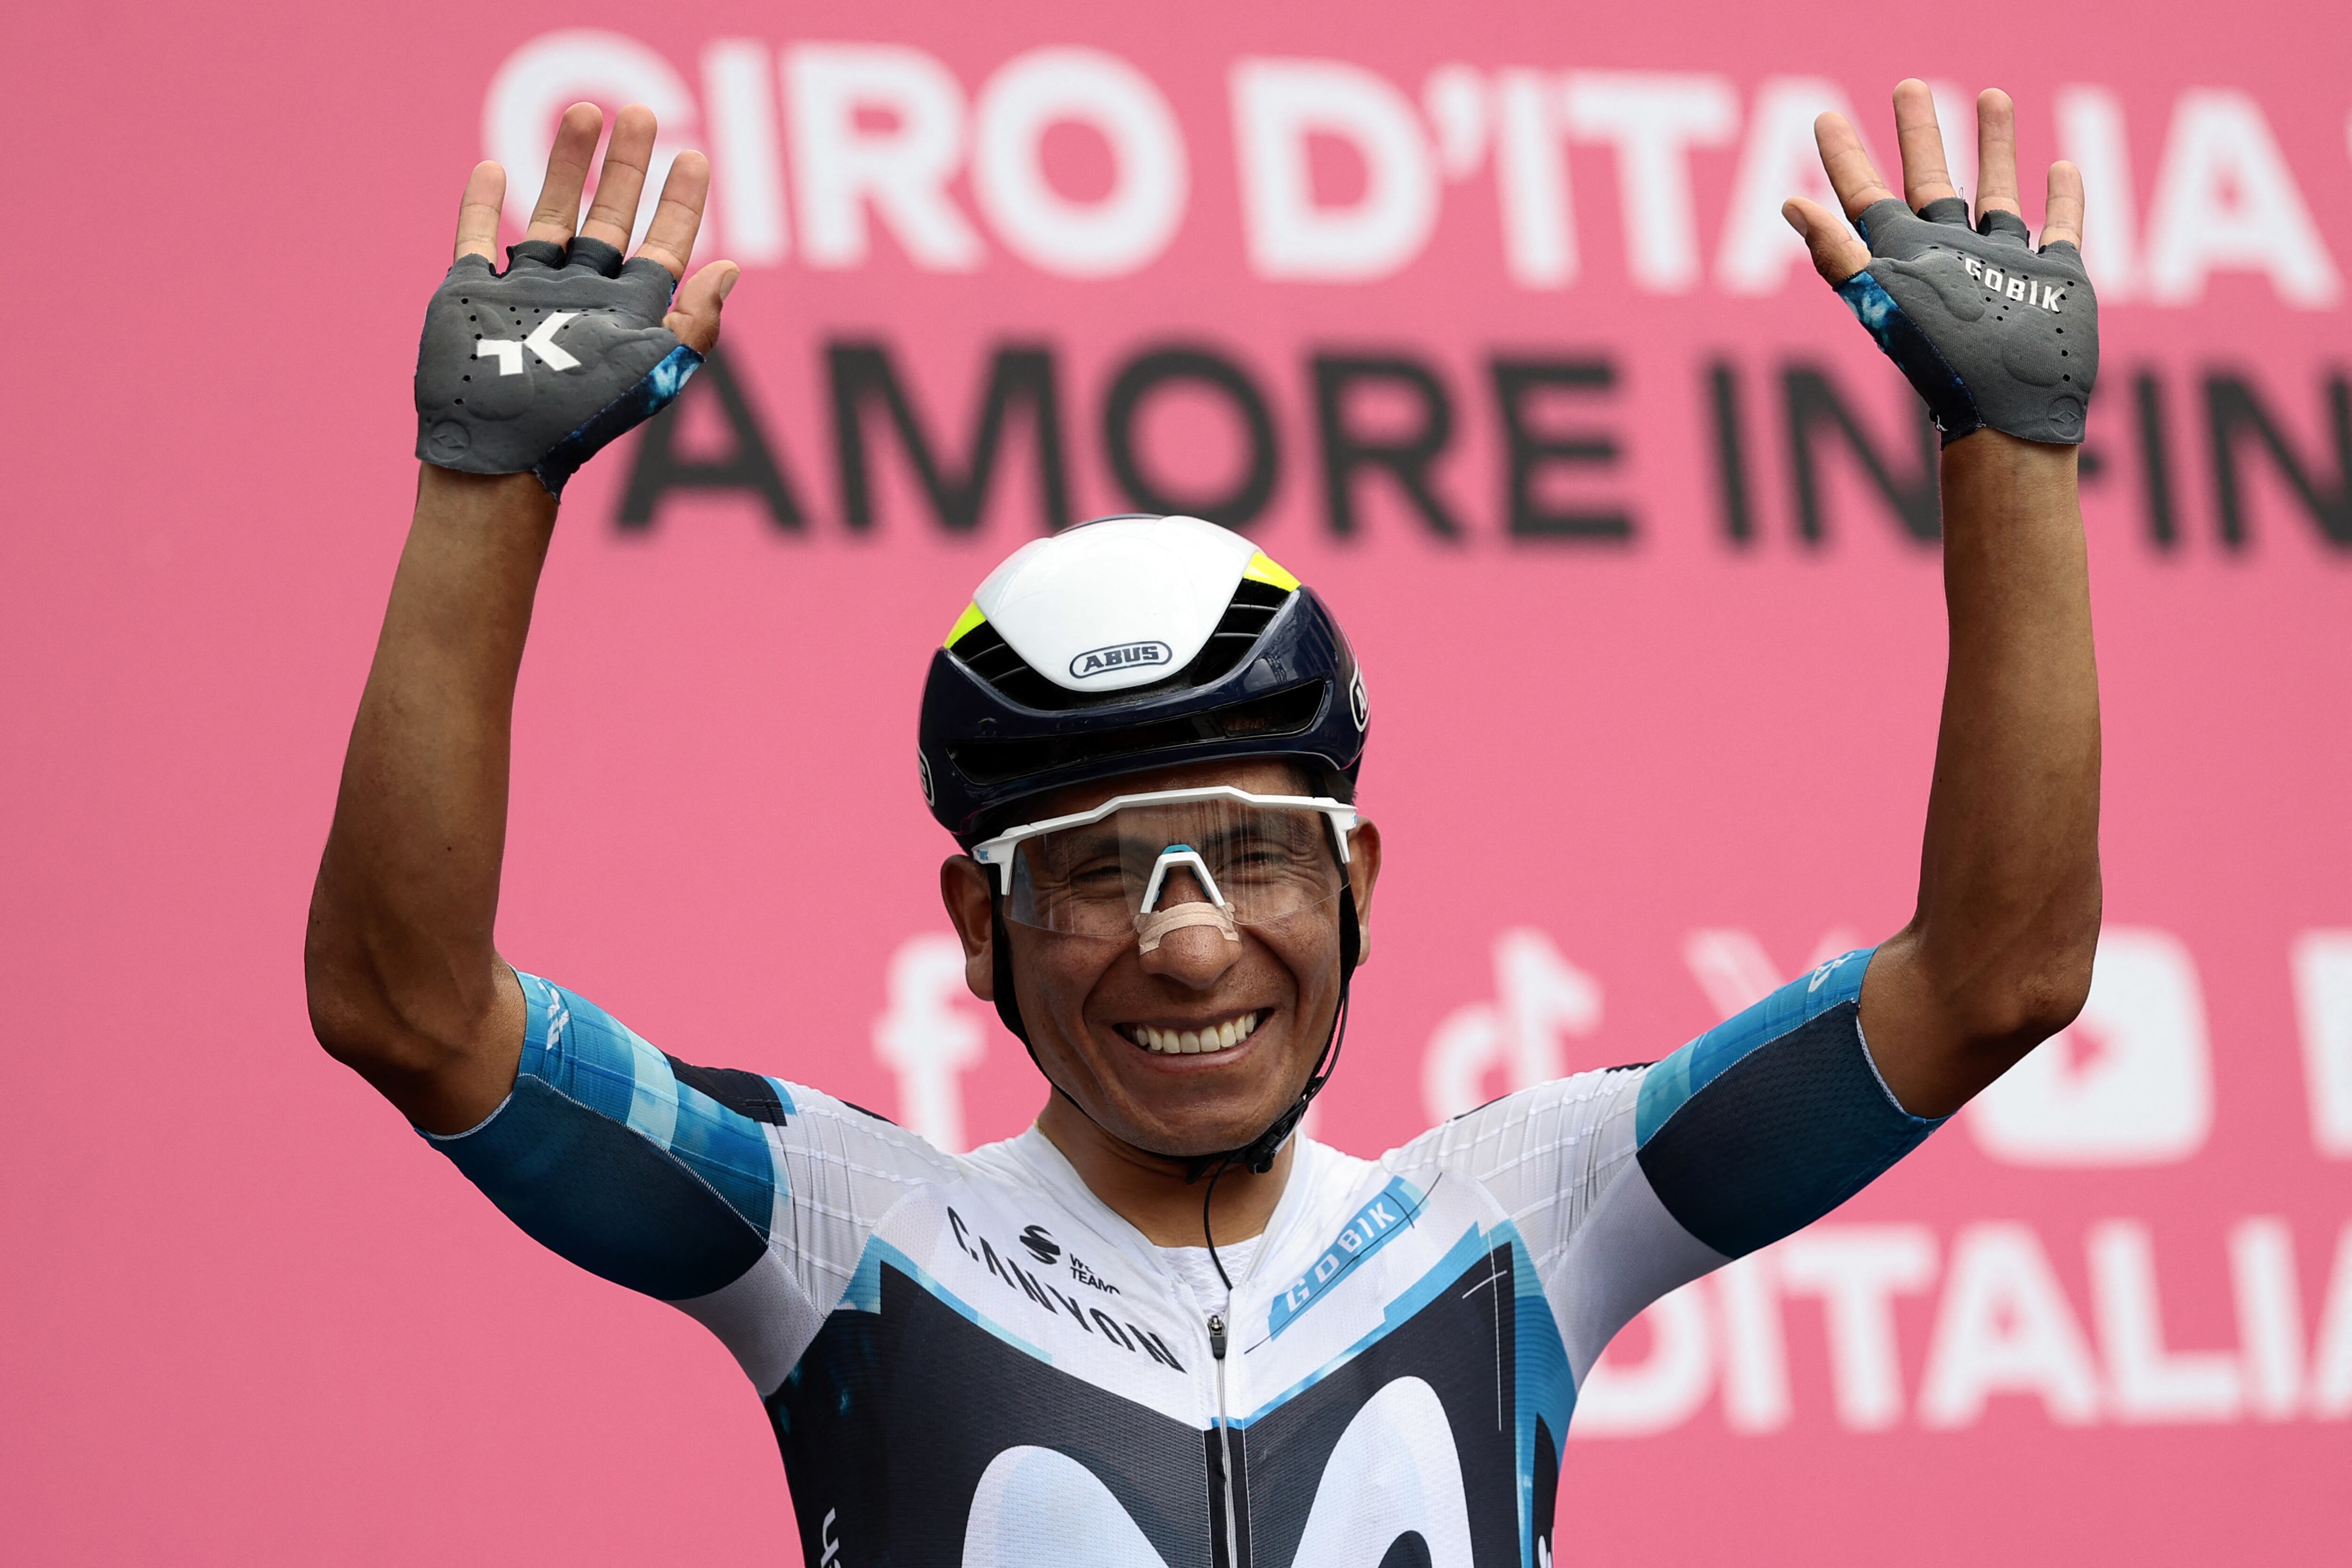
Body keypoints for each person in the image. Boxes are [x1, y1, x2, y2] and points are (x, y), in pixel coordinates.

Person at [307, 80, 2102, 1568]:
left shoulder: (1525, 1217)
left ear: (1359, 883)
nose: (1184, 936)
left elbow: (1999, 976)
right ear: (974, 925)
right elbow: (410, 1007)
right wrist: (486, 495)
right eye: (1091, 870)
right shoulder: (836, 1236)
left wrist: (2010, 456)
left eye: (1248, 849)